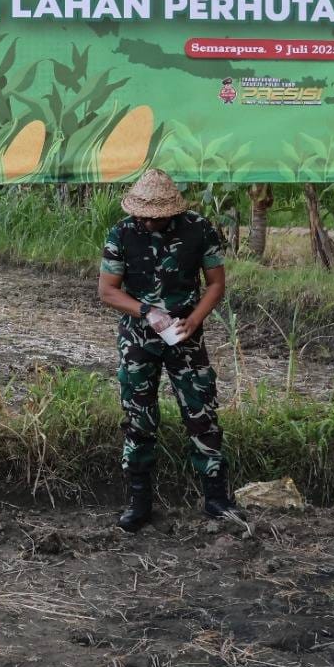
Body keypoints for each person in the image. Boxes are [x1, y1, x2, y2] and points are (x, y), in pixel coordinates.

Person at [97, 169, 233, 532]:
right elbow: (108, 290)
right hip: (137, 340)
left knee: (202, 414)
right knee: (138, 419)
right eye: (141, 214)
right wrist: (145, 311)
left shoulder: (199, 229)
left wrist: (194, 320)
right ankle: (138, 504)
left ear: (171, 212)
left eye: (154, 217)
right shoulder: (122, 233)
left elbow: (216, 283)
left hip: (185, 339)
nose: (146, 221)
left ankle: (217, 500)